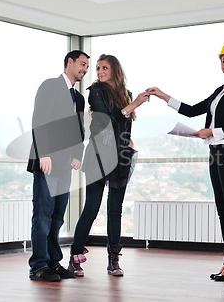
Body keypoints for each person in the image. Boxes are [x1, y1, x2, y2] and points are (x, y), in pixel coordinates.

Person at [148, 42, 224, 282]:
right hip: (216, 152)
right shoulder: (220, 90)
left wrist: (211, 131)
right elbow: (191, 109)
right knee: (222, 208)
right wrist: (163, 95)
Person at [68, 54, 150, 277]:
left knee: (115, 210)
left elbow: (124, 124)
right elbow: (107, 119)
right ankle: (74, 258)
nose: (100, 71)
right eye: (97, 68)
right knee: (92, 208)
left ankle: (114, 260)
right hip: (97, 155)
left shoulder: (127, 94)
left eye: (104, 67)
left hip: (120, 156)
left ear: (115, 69)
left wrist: (127, 140)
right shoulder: (95, 92)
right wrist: (134, 105)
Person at [27, 50, 90, 282]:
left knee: (57, 216)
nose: (84, 69)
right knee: (42, 215)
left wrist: (77, 154)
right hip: (48, 162)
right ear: (69, 62)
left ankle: (54, 263)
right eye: (82, 64)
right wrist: (44, 153)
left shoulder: (78, 97)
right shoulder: (50, 86)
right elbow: (39, 120)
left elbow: (79, 130)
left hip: (65, 164)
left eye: (87, 66)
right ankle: (38, 266)